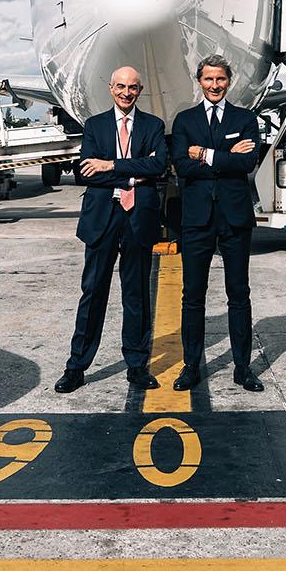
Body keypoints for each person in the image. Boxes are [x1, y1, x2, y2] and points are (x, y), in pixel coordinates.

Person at [56, 66, 166, 393]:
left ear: (140, 89)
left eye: (132, 87)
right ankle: (76, 366)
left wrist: (112, 165)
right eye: (120, 86)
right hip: (102, 218)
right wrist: (133, 174)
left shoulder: (153, 126)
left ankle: (136, 365)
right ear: (110, 87)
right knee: (93, 293)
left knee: (136, 296)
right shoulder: (94, 125)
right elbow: (86, 172)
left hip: (138, 219)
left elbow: (158, 166)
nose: (126, 92)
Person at [170, 55, 267, 392]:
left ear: (229, 81)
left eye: (220, 79)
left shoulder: (246, 118)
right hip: (197, 219)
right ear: (200, 81)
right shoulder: (184, 120)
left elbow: (248, 161)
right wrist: (226, 154)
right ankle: (191, 366)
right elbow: (182, 166)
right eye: (209, 79)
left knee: (238, 294)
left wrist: (206, 154)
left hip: (234, 217)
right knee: (192, 296)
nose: (215, 85)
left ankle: (243, 368)